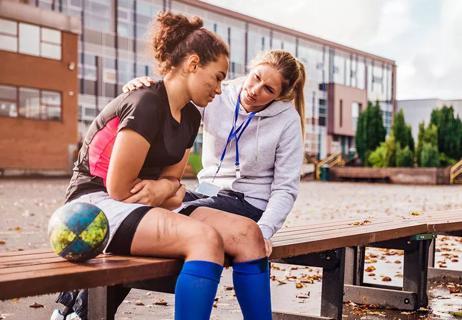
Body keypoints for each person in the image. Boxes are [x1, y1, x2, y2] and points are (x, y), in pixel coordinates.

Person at [51, 11, 232, 320]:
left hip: (139, 203)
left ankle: (75, 310)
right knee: (203, 238)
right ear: (193, 64)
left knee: (242, 233)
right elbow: (119, 188)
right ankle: (74, 310)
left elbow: (174, 186)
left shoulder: (191, 117)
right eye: (217, 77)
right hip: (91, 204)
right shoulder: (146, 101)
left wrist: (164, 187)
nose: (218, 89)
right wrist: (166, 189)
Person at [124, 49, 306, 318]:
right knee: (132, 209)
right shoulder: (219, 94)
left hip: (248, 203)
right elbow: (177, 98)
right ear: (250, 68)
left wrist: (264, 231)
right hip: (206, 193)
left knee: (154, 217)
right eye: (255, 77)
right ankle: (74, 310)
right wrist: (148, 87)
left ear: (279, 96)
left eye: (268, 89)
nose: (255, 90)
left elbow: (285, 188)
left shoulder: (287, 120)